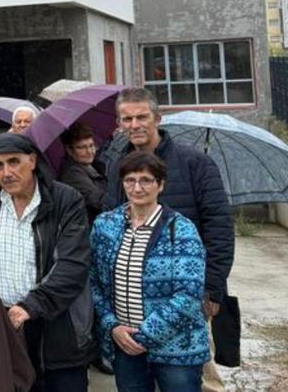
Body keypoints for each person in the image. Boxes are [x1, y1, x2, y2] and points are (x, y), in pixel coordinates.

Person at [104, 87, 233, 392]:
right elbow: (112, 227)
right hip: (131, 300)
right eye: (127, 119)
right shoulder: (116, 165)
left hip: (185, 297)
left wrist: (212, 288)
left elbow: (219, 228)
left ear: (157, 118)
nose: (134, 125)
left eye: (141, 117)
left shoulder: (194, 162)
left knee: (195, 378)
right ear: (119, 123)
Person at [0, 132, 93, 391]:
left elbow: (72, 265)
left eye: (14, 162)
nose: (6, 173)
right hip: (5, 325)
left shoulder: (66, 200)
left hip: (57, 326)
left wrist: (31, 305)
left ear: (32, 160)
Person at [90, 151, 209, 392]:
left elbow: (189, 295)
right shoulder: (105, 225)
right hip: (124, 344)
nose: (137, 187)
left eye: (145, 180)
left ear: (160, 184)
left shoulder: (181, 229)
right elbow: (93, 282)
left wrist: (144, 336)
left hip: (177, 349)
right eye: (130, 180)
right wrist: (112, 326)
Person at [58, 123, 107, 224]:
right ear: (69, 150)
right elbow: (98, 200)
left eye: (91, 146)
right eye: (81, 148)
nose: (89, 151)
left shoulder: (95, 166)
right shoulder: (72, 174)